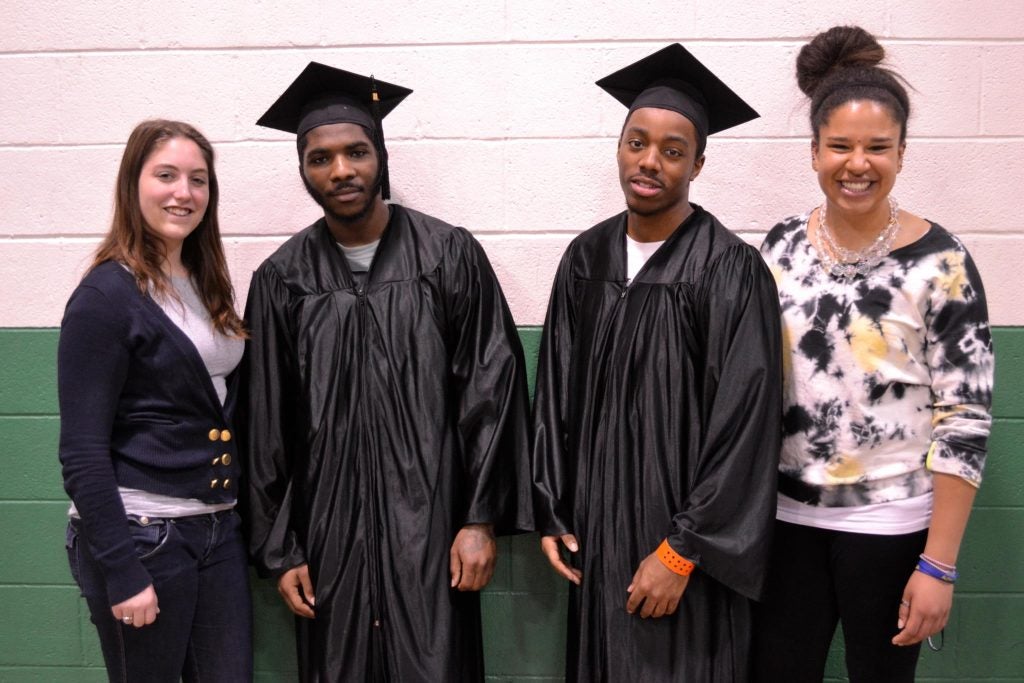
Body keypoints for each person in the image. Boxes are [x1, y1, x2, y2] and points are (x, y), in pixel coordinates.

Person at [242, 62, 533, 681]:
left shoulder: (449, 255)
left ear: (380, 156)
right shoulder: (281, 280)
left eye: (356, 152)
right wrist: (281, 548)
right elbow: (266, 420)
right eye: (320, 158)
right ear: (304, 169)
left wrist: (478, 520)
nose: (341, 170)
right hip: (328, 538)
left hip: (431, 533)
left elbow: (491, 389)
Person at [532, 44, 783, 681]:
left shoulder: (730, 270)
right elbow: (554, 394)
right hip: (597, 534)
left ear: (698, 162)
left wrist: (681, 552)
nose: (650, 162)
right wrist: (552, 509)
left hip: (684, 551)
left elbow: (746, 427)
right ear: (619, 148)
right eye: (637, 142)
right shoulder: (585, 260)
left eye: (673, 150)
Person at [752, 25, 995, 682]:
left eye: (877, 148)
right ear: (813, 153)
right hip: (785, 521)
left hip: (892, 527)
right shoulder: (777, 250)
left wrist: (938, 564)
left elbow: (966, 416)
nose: (857, 163)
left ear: (902, 153)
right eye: (840, 146)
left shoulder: (941, 263)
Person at [58, 119, 252, 682]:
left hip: (215, 529)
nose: (183, 193)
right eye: (165, 175)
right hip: (144, 534)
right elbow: (82, 451)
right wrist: (121, 569)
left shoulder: (203, 280)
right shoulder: (105, 296)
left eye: (198, 179)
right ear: (132, 184)